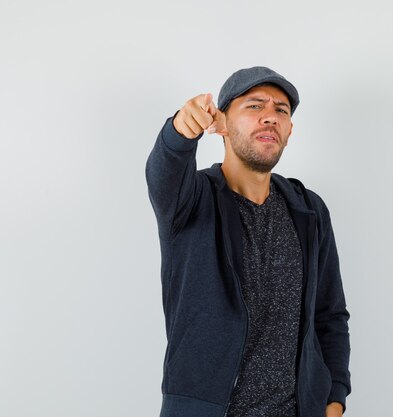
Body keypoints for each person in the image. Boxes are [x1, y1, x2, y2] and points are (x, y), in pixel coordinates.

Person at [145, 66, 351, 417]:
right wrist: (181, 129)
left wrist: (333, 402)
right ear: (222, 123)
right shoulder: (191, 200)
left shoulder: (309, 209)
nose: (270, 116)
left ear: (289, 131)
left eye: (281, 110)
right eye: (254, 106)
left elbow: (329, 316)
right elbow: (165, 171)